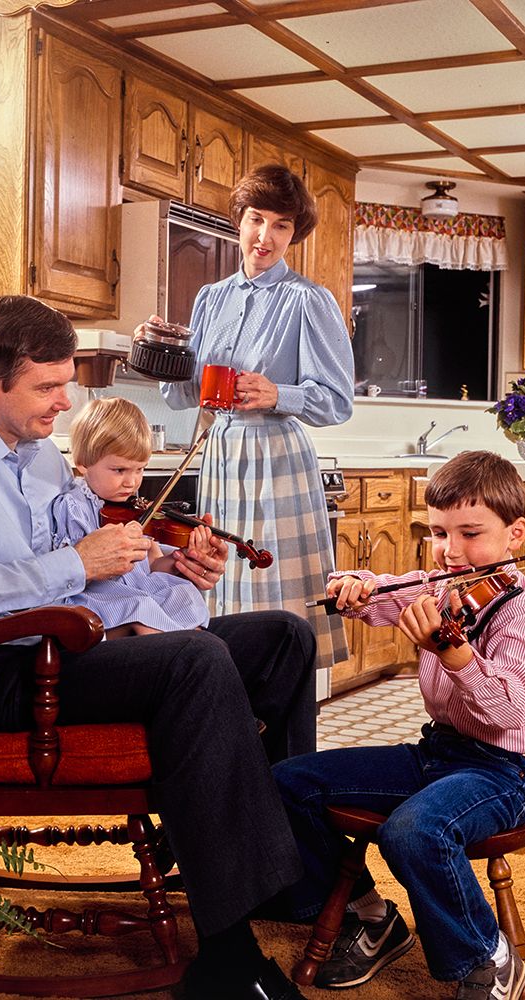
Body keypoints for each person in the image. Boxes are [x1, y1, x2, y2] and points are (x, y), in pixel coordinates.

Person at [0, 294, 318, 1000]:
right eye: (48, 385)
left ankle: (285, 879)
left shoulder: (33, 452)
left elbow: (72, 554)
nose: (65, 399)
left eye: (65, 380)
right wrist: (79, 564)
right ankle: (227, 959)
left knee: (281, 638)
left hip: (55, 642)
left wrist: (160, 565)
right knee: (195, 663)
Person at [272, 451, 525, 1000]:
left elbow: (508, 713)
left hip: (503, 773)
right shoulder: (439, 585)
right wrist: (352, 585)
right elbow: (377, 591)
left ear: (514, 533)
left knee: (415, 830)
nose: (451, 551)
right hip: (436, 754)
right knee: (289, 782)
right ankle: (374, 918)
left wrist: (454, 652)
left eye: (470, 534)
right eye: (438, 533)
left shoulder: (523, 614)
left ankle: (490, 958)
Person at [157, 163, 355, 677]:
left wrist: (276, 393)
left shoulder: (308, 300)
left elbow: (337, 402)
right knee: (221, 584)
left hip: (277, 458)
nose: (264, 236)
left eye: (281, 225)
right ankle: (229, 712)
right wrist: (157, 351)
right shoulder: (209, 299)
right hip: (220, 454)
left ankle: (287, 723)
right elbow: (182, 396)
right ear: (239, 221)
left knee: (277, 595)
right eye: (256, 219)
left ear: (294, 234)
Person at [52, 396, 211, 638]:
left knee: (182, 593)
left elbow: (154, 565)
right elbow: (76, 570)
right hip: (98, 596)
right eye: (119, 470)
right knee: (140, 605)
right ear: (83, 463)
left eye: (140, 469)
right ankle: (169, 655)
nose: (132, 481)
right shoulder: (74, 506)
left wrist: (182, 558)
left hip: (136, 589)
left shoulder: (133, 511)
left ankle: (195, 648)